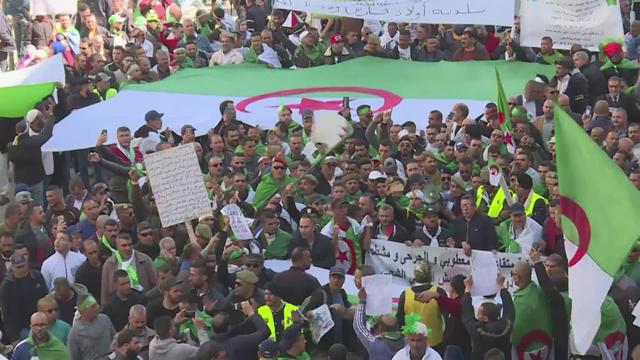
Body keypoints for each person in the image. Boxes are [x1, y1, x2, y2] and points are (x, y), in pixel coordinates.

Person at [396, 262, 446, 354]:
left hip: (413, 345)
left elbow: (399, 320)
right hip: (435, 344)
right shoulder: (438, 292)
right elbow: (447, 318)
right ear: (430, 275)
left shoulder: (405, 294)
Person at [461, 274, 515, 360]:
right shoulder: (506, 326)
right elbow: (509, 308)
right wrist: (501, 285)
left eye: (479, 313)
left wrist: (467, 289)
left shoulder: (478, 331)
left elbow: (467, 314)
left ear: (485, 318)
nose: (477, 315)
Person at [7, 109, 54, 205]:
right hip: (36, 180)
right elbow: (46, 135)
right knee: (38, 207)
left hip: (21, 183)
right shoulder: (32, 142)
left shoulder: (11, 146)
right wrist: (51, 116)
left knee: (25, 209)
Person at [510, 261, 553, 359]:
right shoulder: (539, 291)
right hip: (545, 345)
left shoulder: (520, 303)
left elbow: (514, 329)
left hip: (527, 351)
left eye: (512, 274)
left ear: (517, 277)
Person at [0, 254, 48, 343]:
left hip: (41, 323)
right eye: (18, 267)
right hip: (21, 328)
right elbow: (6, 314)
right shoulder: (6, 286)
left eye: (23, 266)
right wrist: (13, 337)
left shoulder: (37, 277)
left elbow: (46, 298)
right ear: (13, 267)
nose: (22, 269)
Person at [101, 233, 157, 305]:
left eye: (130, 245)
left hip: (141, 299)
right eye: (124, 246)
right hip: (118, 303)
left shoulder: (145, 260)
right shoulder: (109, 264)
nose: (128, 248)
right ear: (117, 247)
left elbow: (155, 283)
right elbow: (105, 291)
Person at [353, 287, 405, 359]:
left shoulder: (375, 344)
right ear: (397, 326)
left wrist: (362, 301)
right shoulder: (407, 343)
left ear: (380, 328)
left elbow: (359, 326)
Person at [67, 294, 117, 360]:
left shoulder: (105, 319)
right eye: (93, 306)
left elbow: (116, 338)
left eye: (96, 304)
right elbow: (74, 357)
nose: (98, 306)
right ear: (83, 311)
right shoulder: (75, 333)